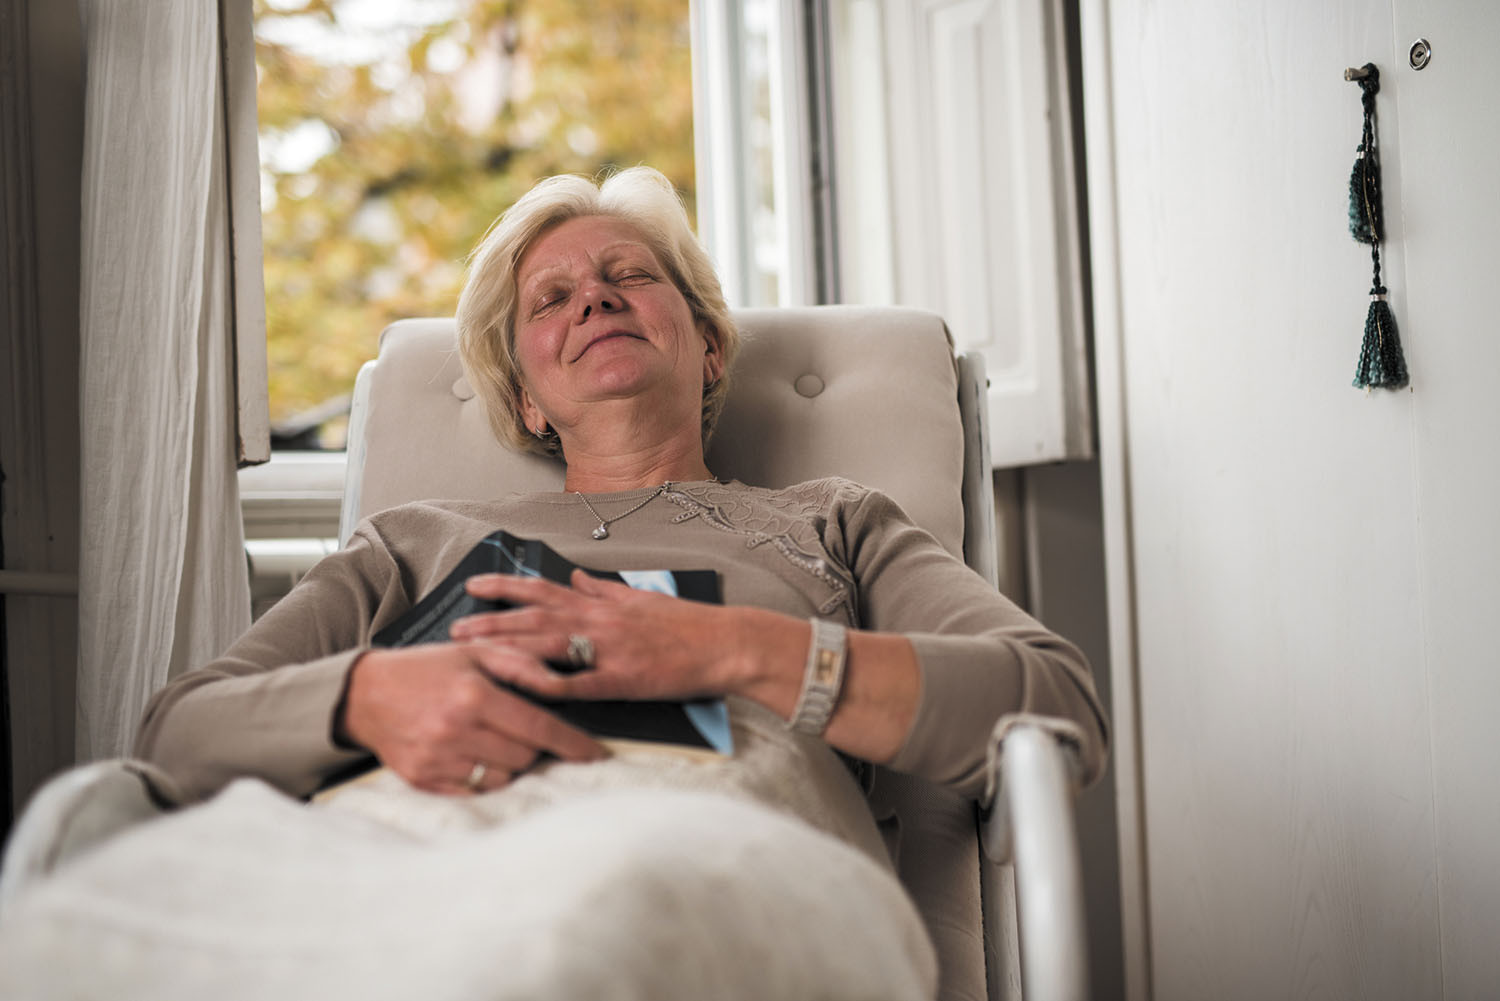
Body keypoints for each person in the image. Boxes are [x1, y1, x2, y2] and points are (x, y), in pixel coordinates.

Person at [4, 167, 1108, 1000]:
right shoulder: (414, 539)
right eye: (554, 298)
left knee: (578, 945)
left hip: (692, 835)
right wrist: (364, 700)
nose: (596, 299)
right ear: (527, 396)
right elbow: (176, 730)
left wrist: (732, 654)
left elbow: (1051, 702)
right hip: (401, 840)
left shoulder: (832, 522)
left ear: (710, 344)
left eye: (632, 276)